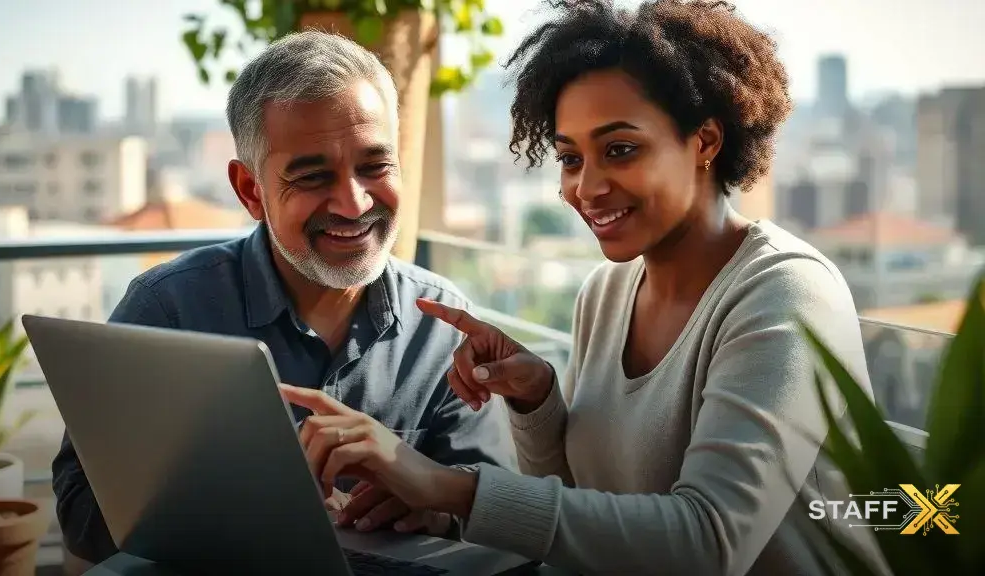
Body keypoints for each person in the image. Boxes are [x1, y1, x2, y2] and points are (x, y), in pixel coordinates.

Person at [277, 1, 878, 574]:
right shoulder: (608, 291)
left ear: (706, 142)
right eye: (570, 158)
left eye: (620, 150)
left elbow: (709, 544)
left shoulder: (786, 291)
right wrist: (538, 404)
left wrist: (444, 484)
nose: (586, 188)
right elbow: (581, 519)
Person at [51, 30, 516, 565]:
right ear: (251, 191)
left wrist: (432, 505)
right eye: (315, 176)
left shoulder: (442, 324)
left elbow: (497, 520)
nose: (353, 202)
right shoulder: (166, 309)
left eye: (375, 166)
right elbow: (79, 508)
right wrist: (235, 505)